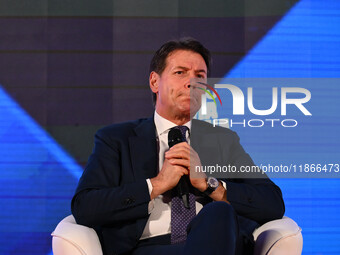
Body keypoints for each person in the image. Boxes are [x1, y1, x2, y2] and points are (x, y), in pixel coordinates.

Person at [71, 38, 285, 255]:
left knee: (219, 212)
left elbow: (272, 203)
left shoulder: (223, 139)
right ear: (155, 82)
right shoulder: (117, 139)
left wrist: (210, 185)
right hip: (148, 248)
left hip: (216, 242)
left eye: (200, 76)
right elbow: (85, 207)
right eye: (180, 72)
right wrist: (156, 184)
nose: (192, 82)